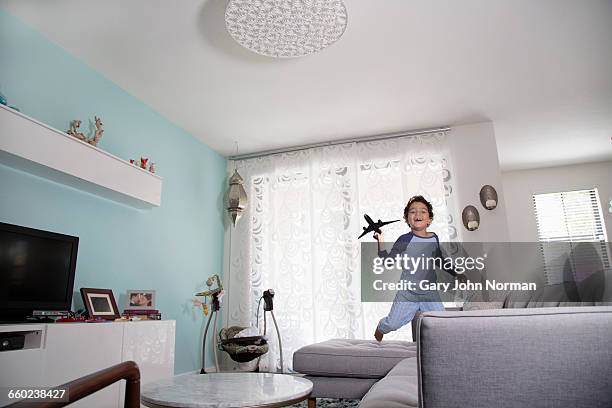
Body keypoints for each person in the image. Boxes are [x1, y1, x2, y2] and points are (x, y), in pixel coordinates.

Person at [373, 195, 460, 342]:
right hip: (408, 294)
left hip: (430, 293)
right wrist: (380, 241)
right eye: (413, 211)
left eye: (423, 211)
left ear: (429, 219)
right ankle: (380, 330)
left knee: (443, 324)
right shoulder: (405, 240)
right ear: (407, 219)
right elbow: (388, 262)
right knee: (392, 324)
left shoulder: (434, 237)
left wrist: (456, 272)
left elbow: (439, 259)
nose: (418, 214)